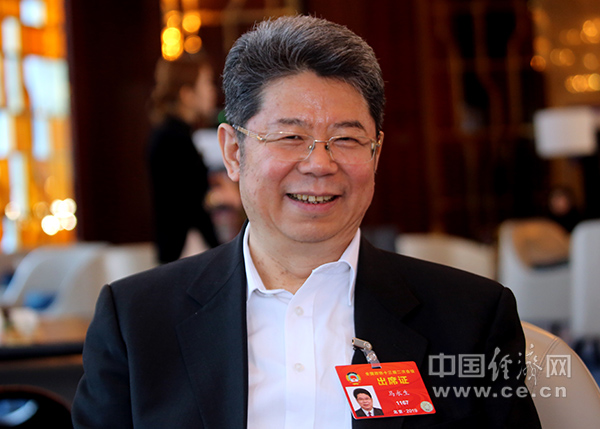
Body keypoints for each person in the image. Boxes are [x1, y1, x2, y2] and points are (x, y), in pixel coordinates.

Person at [72, 15, 541, 428]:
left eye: (347, 139)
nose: (320, 163)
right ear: (233, 152)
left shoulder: (470, 319)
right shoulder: (136, 322)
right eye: (290, 136)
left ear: (376, 154)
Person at [146, 52, 220, 264]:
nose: (212, 91)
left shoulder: (174, 134)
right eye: (206, 83)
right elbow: (188, 203)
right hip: (185, 246)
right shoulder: (173, 139)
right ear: (187, 94)